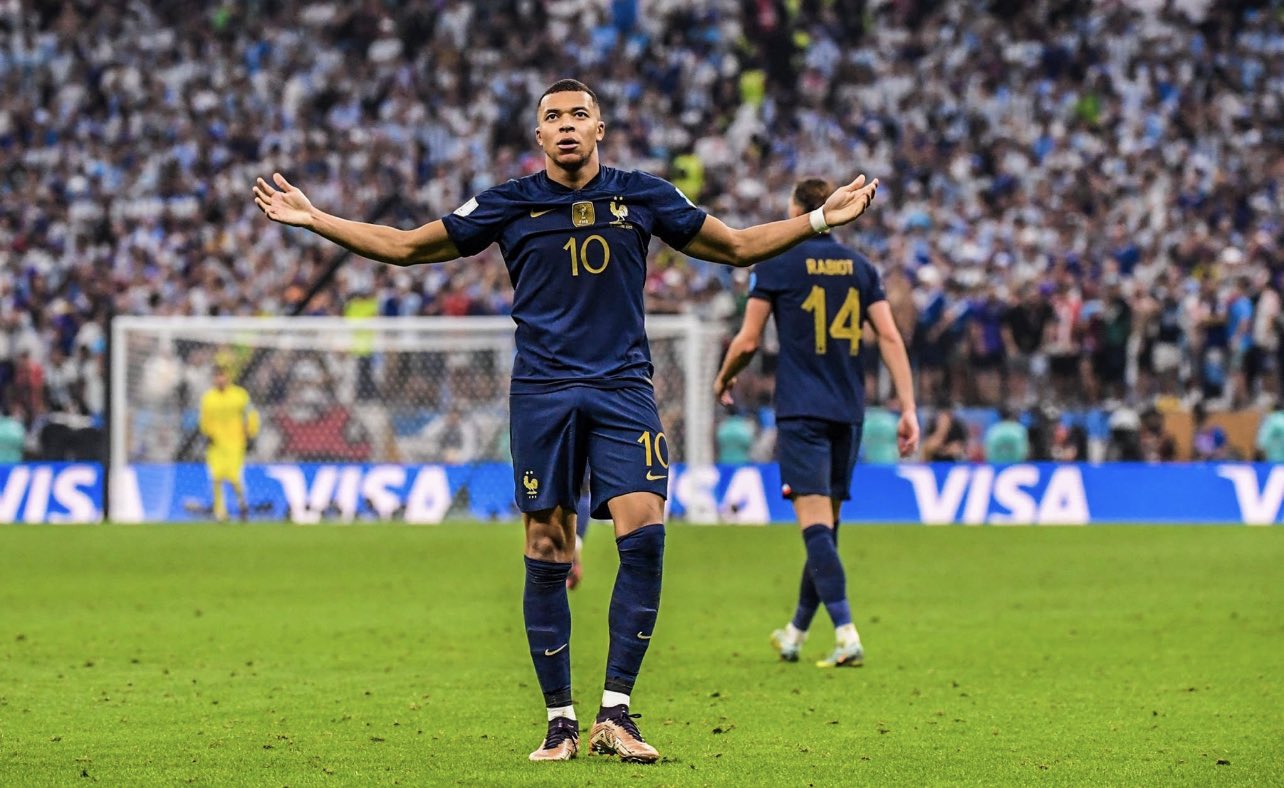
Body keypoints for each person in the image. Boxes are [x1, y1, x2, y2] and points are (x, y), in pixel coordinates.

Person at [253, 79, 880, 763]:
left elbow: (735, 245)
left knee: (645, 530)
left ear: (600, 128)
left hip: (622, 389)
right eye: (553, 117)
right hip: (543, 394)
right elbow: (406, 246)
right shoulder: (510, 202)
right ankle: (560, 723)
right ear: (539, 138)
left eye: (579, 114)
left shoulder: (642, 194)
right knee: (549, 547)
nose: (567, 125)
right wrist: (317, 219)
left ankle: (618, 711)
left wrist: (821, 222)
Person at [712, 177, 915, 670]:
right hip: (849, 409)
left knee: (815, 529)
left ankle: (846, 633)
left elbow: (748, 341)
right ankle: (796, 633)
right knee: (827, 527)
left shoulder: (776, 262)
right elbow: (888, 336)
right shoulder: (862, 268)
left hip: (802, 408)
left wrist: (723, 379)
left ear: (799, 208)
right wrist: (908, 406)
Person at [198, 364, 260, 522]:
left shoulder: (239, 395)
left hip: (235, 442)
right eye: (217, 376)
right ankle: (220, 513)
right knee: (216, 477)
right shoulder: (208, 398)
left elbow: (251, 414)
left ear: (228, 377)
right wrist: (207, 434)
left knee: (234, 477)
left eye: (222, 376)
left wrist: (251, 433)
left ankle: (242, 504)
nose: (220, 379)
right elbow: (205, 419)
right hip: (216, 444)